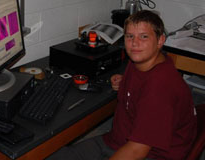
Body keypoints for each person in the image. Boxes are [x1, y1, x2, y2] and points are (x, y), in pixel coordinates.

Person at [46, 10, 197, 160]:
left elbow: (137, 151)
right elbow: (144, 83)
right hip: (117, 141)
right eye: (130, 36)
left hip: (149, 154)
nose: (135, 43)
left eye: (144, 37)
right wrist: (125, 80)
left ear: (160, 40)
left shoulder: (160, 88)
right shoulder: (142, 62)